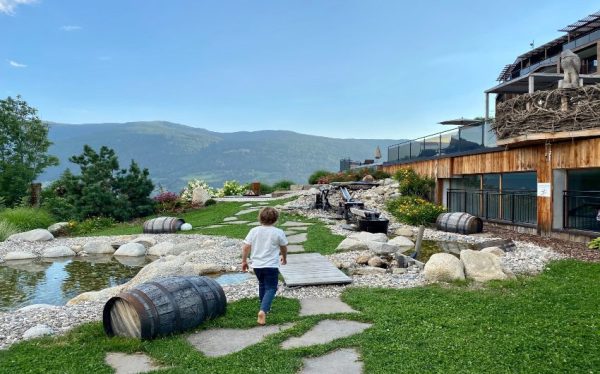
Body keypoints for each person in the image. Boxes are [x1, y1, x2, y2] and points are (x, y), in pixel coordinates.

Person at [241, 207, 288, 325]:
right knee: (271, 288)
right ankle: (263, 311)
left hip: (257, 265)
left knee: (262, 284)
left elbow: (246, 247)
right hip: (271, 265)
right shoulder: (278, 232)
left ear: (260, 218)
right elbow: (283, 247)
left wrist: (244, 261)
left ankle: (264, 306)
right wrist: (284, 257)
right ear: (276, 219)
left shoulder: (254, 231)